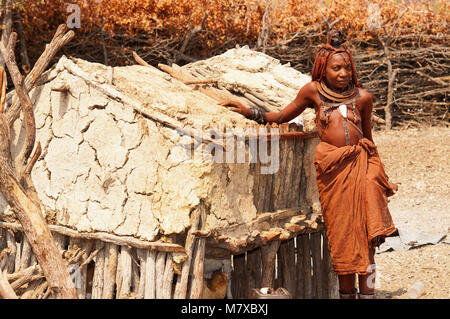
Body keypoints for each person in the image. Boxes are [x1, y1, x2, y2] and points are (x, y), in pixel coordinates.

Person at [219, 30, 398, 299]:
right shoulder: (312, 92)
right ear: (322, 70)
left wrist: (377, 175)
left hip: (360, 167)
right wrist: (250, 111)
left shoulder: (363, 97)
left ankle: (368, 295)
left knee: (366, 235)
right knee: (342, 237)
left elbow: (369, 140)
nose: (343, 73)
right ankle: (347, 295)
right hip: (332, 170)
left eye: (347, 68)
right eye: (336, 68)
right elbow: (282, 115)